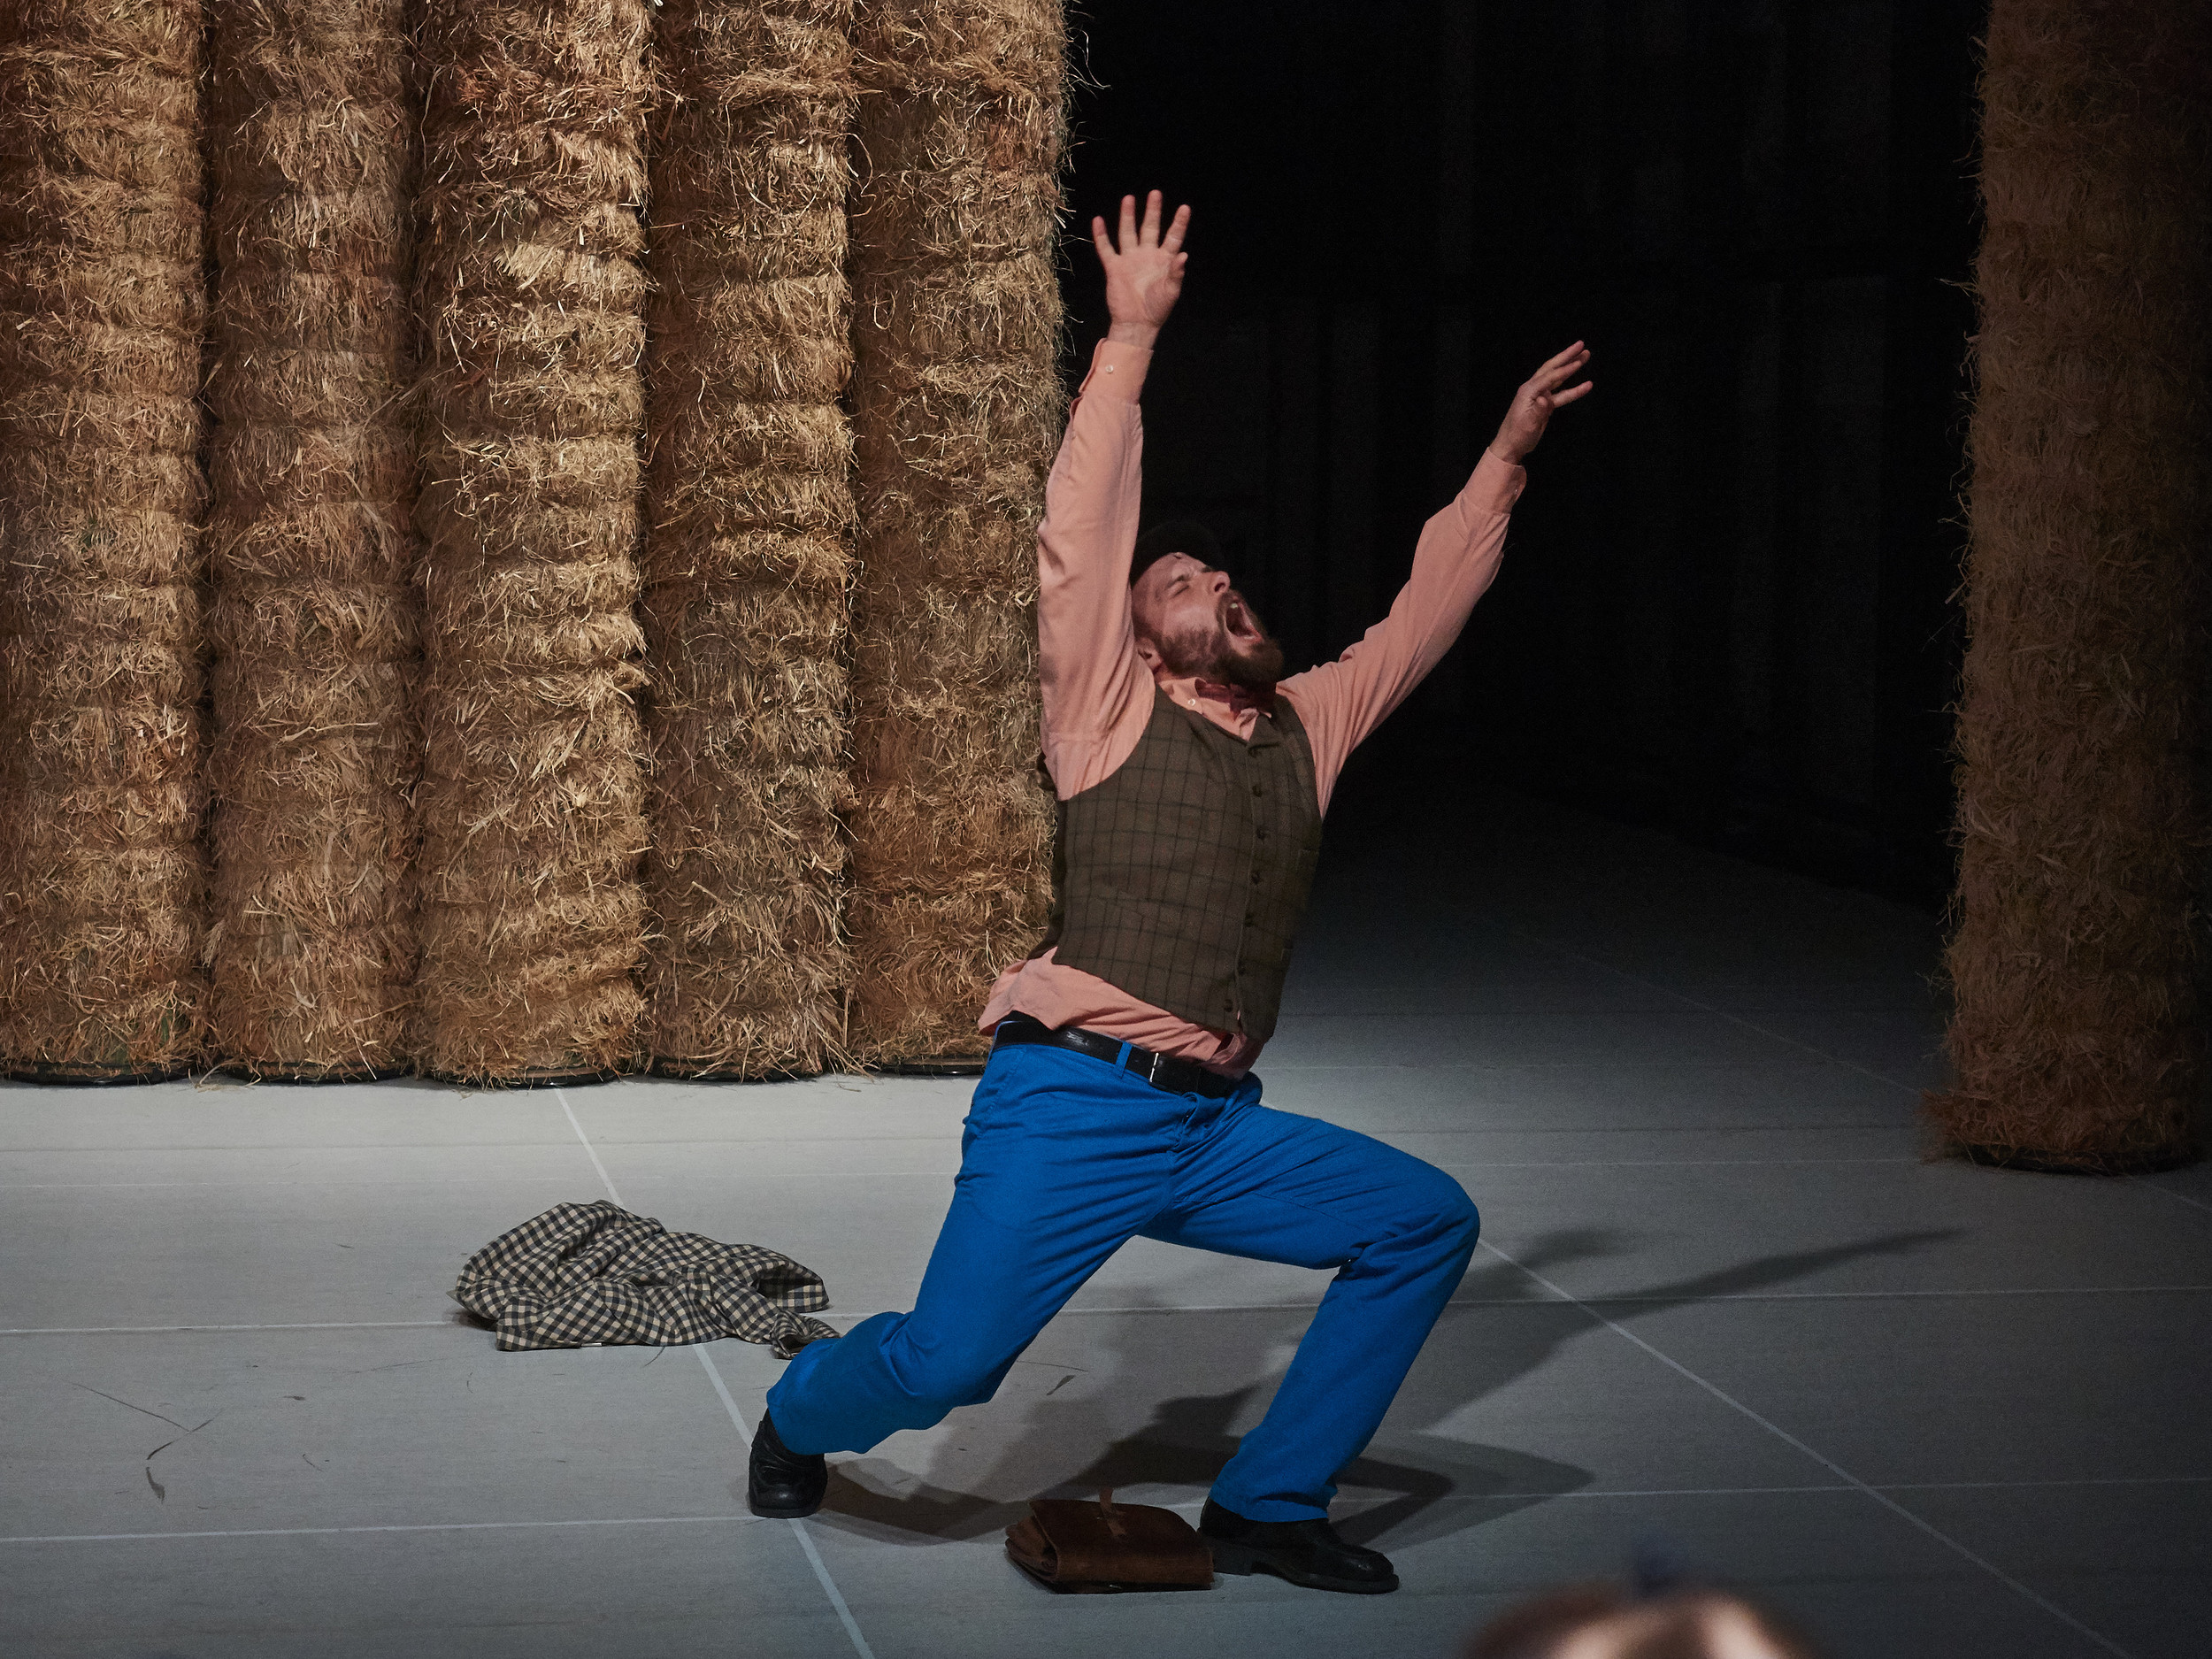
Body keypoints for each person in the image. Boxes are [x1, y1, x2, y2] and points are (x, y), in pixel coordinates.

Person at [749, 189, 1594, 1595]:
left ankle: (1268, 1503)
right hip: (1073, 1104)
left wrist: (1506, 456)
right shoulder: (1105, 714)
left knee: (1421, 1219)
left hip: (1213, 1123)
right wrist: (1131, 338)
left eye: (1221, 572)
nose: (1218, 580)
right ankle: (800, 1407)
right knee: (947, 1367)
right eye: (1186, 582)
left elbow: (1425, 612)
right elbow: (1082, 542)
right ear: (1143, 644)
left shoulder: (1310, 725)